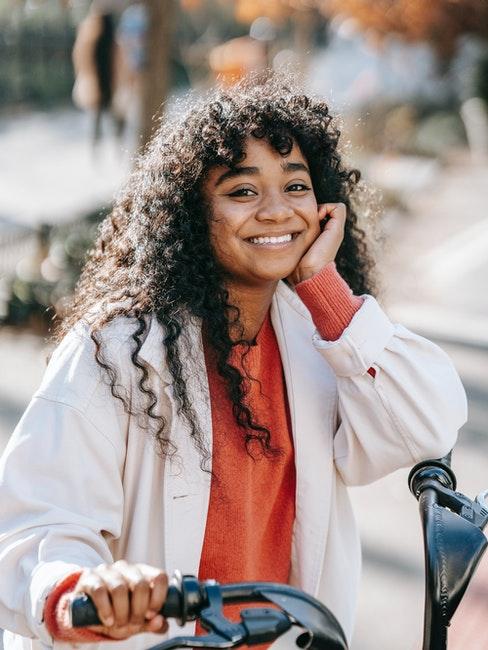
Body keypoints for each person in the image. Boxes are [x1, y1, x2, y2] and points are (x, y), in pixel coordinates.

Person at [0, 76, 467, 650]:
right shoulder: (119, 349)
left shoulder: (319, 337)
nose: (277, 211)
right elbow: (37, 524)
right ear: (194, 213)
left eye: (296, 186)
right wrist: (86, 590)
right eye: (242, 191)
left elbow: (428, 422)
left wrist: (325, 288)